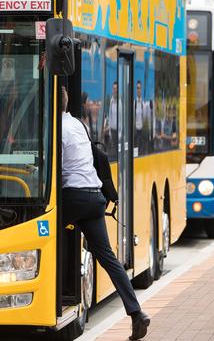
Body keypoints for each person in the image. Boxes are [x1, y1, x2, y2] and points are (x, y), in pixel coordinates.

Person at [61, 87, 150, 340]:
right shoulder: (77, 124)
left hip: (73, 197)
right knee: (108, 257)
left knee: (40, 234)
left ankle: (53, 295)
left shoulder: (56, 128)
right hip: (93, 196)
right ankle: (136, 313)